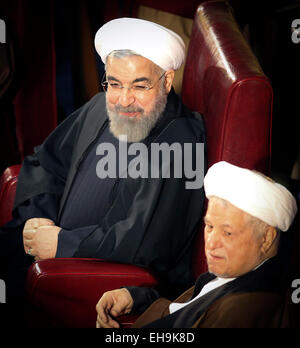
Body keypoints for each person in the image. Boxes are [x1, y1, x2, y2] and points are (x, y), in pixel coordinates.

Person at [0, 18, 206, 302]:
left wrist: (62, 244)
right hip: (45, 246)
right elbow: (47, 162)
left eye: (139, 86)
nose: (124, 100)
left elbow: (148, 242)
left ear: (167, 81)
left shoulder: (179, 141)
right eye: (114, 83)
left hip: (87, 273)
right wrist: (39, 217)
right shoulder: (100, 106)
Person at [96, 161, 298, 328]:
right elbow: (188, 304)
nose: (211, 243)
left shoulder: (241, 310)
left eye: (228, 233)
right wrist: (134, 297)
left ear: (266, 239)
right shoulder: (239, 271)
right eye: (209, 226)